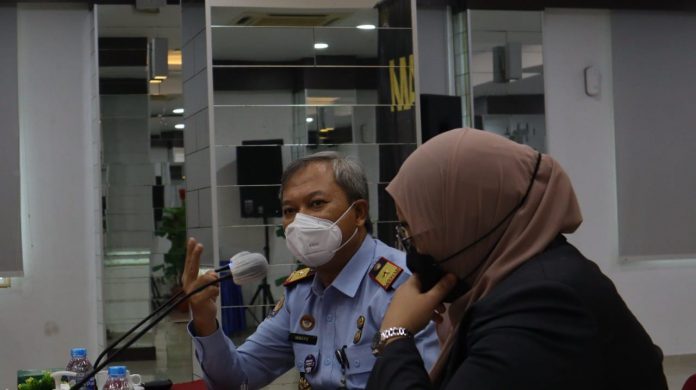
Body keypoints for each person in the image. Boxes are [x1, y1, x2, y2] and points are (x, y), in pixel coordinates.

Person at [366, 128, 668, 390]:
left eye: (413, 229)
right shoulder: (524, 278)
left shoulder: (543, 303)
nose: (412, 247)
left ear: (467, 221)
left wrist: (395, 334)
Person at [183, 151, 440, 389]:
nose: (299, 221)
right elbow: (239, 378)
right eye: (289, 210)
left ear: (359, 212)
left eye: (316, 204)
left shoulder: (403, 283)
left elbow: (428, 380)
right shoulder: (301, 293)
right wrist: (205, 319)